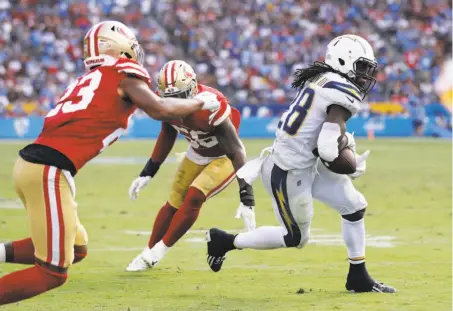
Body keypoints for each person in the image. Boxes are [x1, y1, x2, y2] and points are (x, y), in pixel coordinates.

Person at [0, 21, 221, 305]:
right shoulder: (122, 74)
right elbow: (160, 109)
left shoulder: (92, 78)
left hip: (38, 167)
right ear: (117, 47)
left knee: (77, 248)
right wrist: (200, 102)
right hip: (48, 171)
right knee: (52, 273)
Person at [205, 34, 396, 293]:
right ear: (343, 62)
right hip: (287, 169)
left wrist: (342, 145)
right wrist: (348, 155)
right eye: (361, 67)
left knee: (354, 207)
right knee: (294, 238)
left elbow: (321, 140)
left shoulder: (323, 79)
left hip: (307, 161)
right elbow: (328, 149)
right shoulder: (340, 90)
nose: (365, 75)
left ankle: (358, 276)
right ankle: (225, 241)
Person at [125, 60, 255, 271]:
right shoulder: (167, 105)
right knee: (173, 202)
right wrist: (148, 172)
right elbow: (167, 135)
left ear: (193, 87)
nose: (175, 103)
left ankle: (160, 251)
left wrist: (247, 196)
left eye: (180, 96)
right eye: (169, 98)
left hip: (223, 157)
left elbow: (235, 150)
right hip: (196, 153)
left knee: (195, 195)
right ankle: (147, 253)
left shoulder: (211, 105)